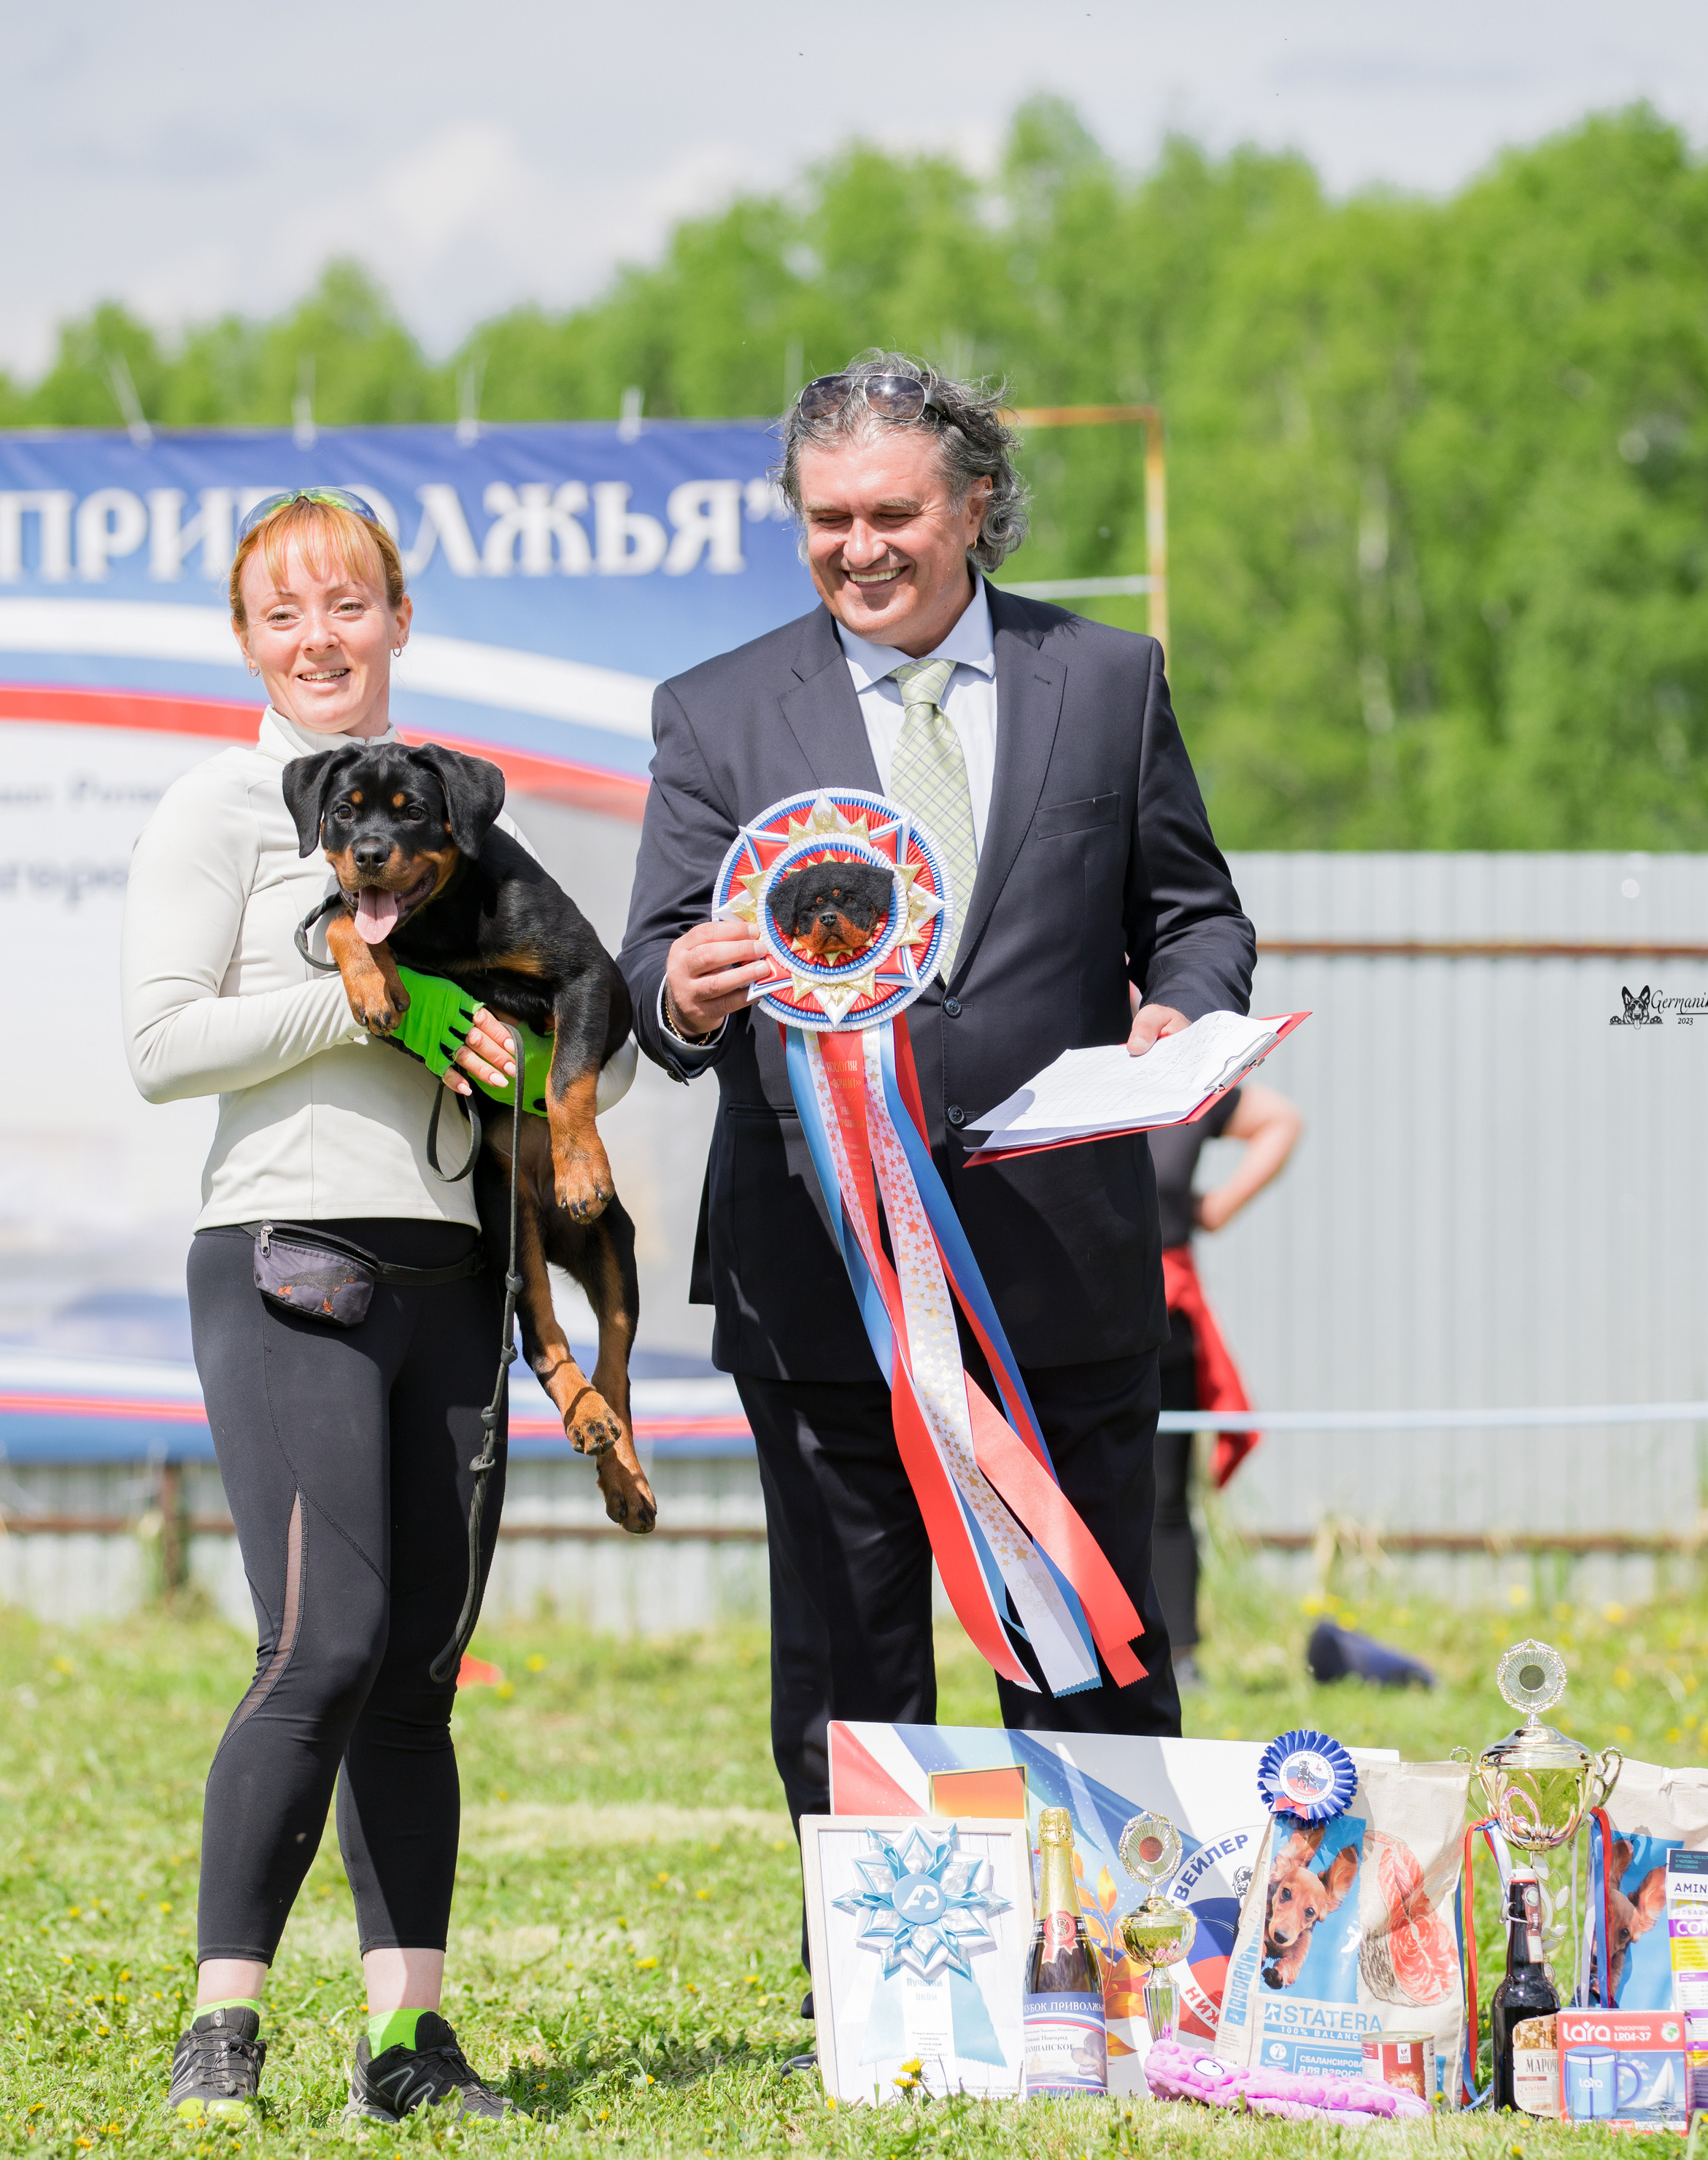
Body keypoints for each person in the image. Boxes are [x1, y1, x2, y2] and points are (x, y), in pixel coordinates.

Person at [619, 354, 1256, 1864]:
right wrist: (692, 988)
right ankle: (878, 1972)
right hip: (816, 1267)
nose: (859, 548)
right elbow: (651, 963)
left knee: (1089, 1633)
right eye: (825, 518)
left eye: (892, 513)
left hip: (1062, 1264)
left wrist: (1184, 1005)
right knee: (848, 1651)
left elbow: (1193, 913)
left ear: (975, 505)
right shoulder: (715, 716)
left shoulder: (1107, 681)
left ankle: (1111, 1953)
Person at [122, 489, 601, 2124]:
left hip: (453, 1269)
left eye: (348, 603)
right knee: (319, 1643)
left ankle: (407, 2044)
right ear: (248, 640)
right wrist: (353, 1008)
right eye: (282, 611)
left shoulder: (454, 816)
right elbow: (161, 1045)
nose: (318, 635)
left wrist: (510, 1051)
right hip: (283, 1258)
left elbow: (538, 1028)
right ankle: (221, 2026)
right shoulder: (221, 807)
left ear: (399, 618)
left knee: (416, 1666)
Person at [1148, 1079, 1302, 1689]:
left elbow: (1280, 1118)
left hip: (1165, 1312)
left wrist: (1218, 1207)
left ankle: (1180, 1656)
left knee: (1164, 1496)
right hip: (1066, 1311)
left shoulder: (1183, 1075)